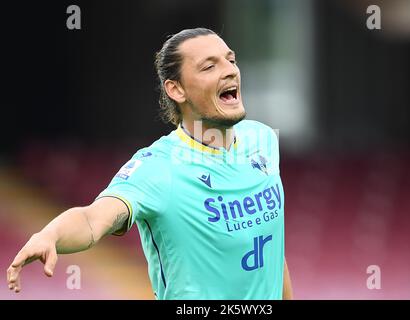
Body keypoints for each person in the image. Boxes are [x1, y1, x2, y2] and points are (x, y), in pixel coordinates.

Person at [6, 28, 293, 300]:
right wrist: (50, 235)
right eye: (209, 66)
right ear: (176, 89)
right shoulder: (158, 168)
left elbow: (273, 252)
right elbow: (93, 220)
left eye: (231, 60)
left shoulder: (262, 139)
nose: (230, 70)